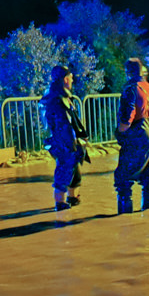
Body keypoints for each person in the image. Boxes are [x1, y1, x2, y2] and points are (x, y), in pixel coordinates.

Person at [114, 58, 149, 214]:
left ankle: (125, 221)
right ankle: (148, 213)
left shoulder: (131, 89)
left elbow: (126, 120)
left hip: (138, 135)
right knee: (147, 178)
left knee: (123, 178)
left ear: (128, 72)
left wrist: (119, 134)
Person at [40, 65, 89, 211]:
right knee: (65, 168)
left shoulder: (56, 94)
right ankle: (60, 203)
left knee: (74, 169)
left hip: (63, 141)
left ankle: (72, 198)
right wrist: (72, 143)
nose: (73, 80)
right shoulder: (58, 98)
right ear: (66, 79)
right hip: (64, 142)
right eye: (71, 78)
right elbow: (64, 123)